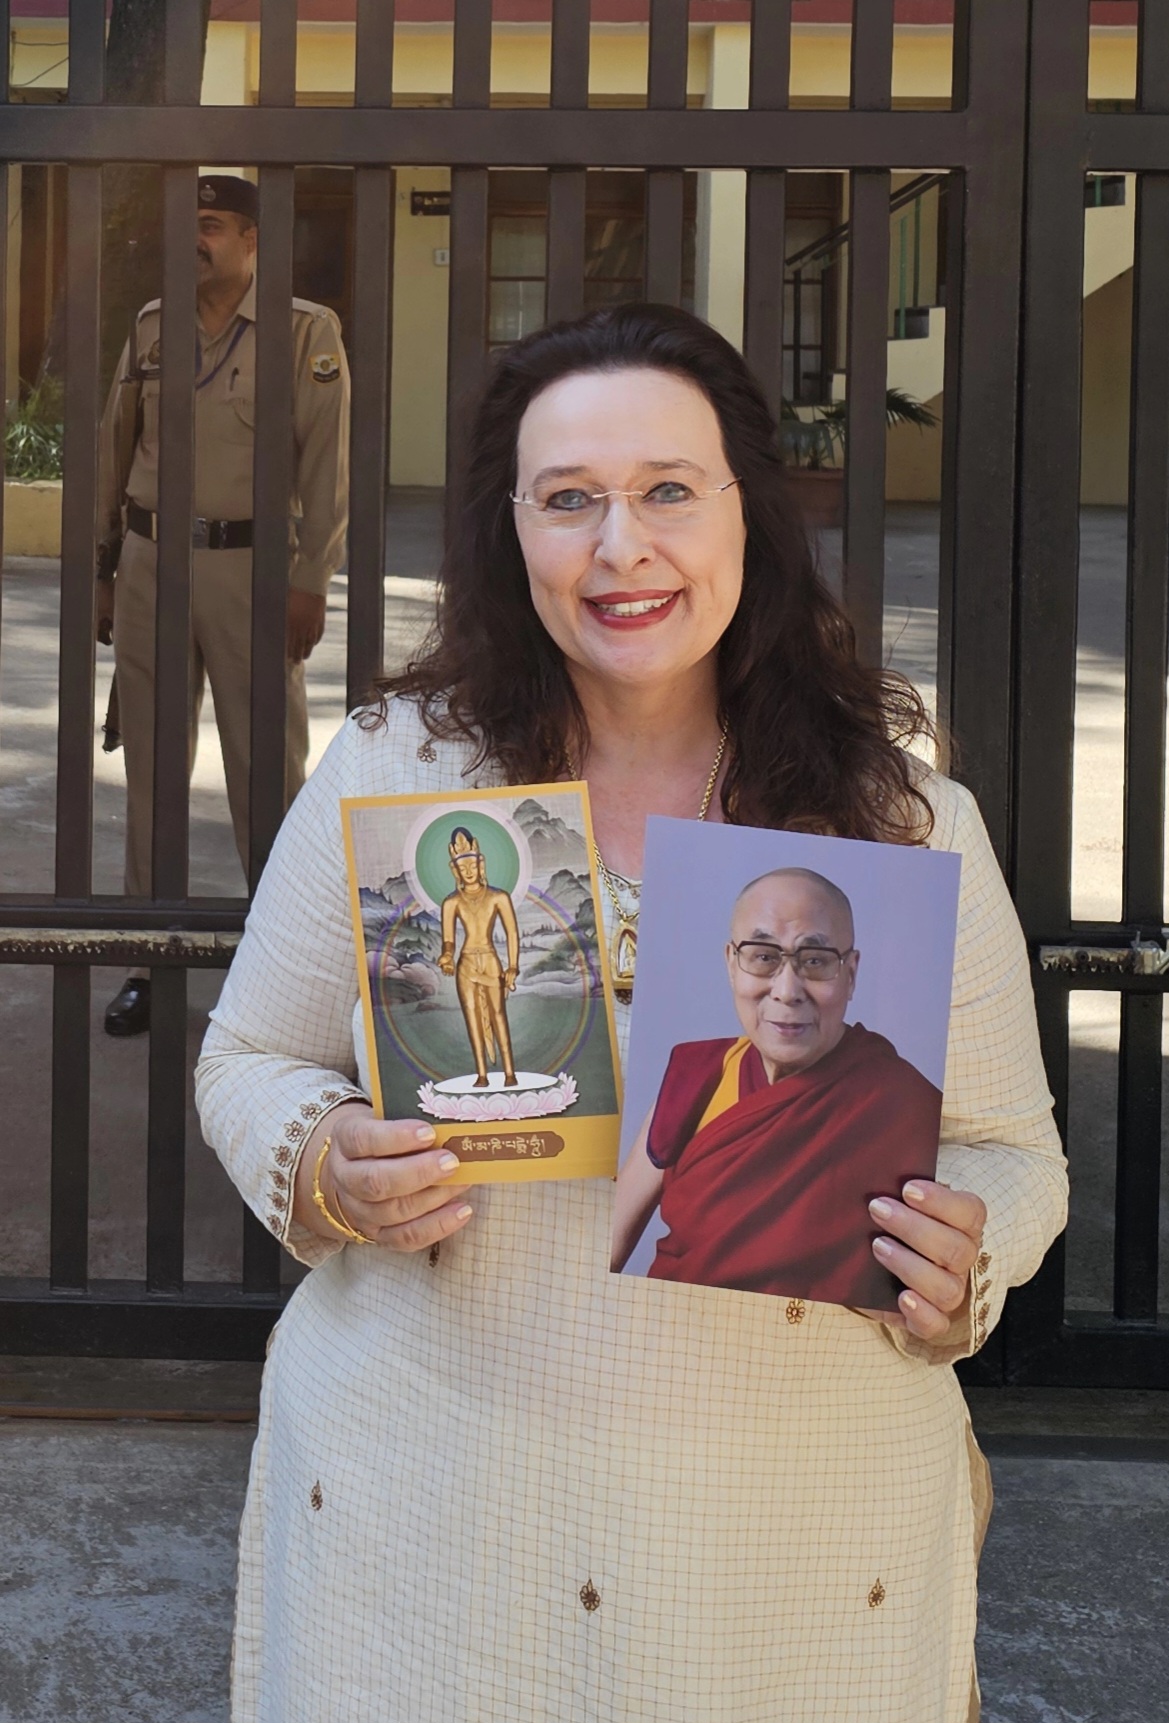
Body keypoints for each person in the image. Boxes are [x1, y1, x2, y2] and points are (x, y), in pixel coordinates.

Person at [196, 302, 1067, 1722]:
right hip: (432, 1513)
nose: (621, 546)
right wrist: (326, 1156)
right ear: (510, 530)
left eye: (668, 489)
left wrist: (962, 1255)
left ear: (747, 513)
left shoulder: (898, 819)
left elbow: (1011, 1150)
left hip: (789, 1545)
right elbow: (250, 1054)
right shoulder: (395, 769)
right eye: (568, 499)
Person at [96, 173, 351, 1036]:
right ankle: (147, 960)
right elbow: (113, 445)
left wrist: (310, 578)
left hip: (252, 570)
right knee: (152, 772)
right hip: (151, 562)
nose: (194, 239)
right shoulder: (152, 327)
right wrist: (104, 568)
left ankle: (277, 974)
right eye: (186, 224)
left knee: (265, 772)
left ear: (251, 240)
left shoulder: (305, 331)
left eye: (210, 224)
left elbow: (326, 465)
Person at [611, 866, 943, 1304]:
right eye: (764, 957)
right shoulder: (696, 1079)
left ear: (850, 973)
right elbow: (607, 1246)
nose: (787, 991)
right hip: (672, 1329)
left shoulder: (903, 1105)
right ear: (732, 964)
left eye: (815, 961)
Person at [437, 824, 521, 1086]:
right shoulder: (451, 902)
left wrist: (513, 966)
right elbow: (449, 940)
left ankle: (509, 1073)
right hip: (467, 964)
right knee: (472, 1017)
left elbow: (512, 933)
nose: (469, 871)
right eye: (463, 867)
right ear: (455, 870)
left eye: (472, 865)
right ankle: (482, 1075)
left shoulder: (498, 897)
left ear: (480, 864)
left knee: (498, 1014)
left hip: (490, 959)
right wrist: (447, 956)